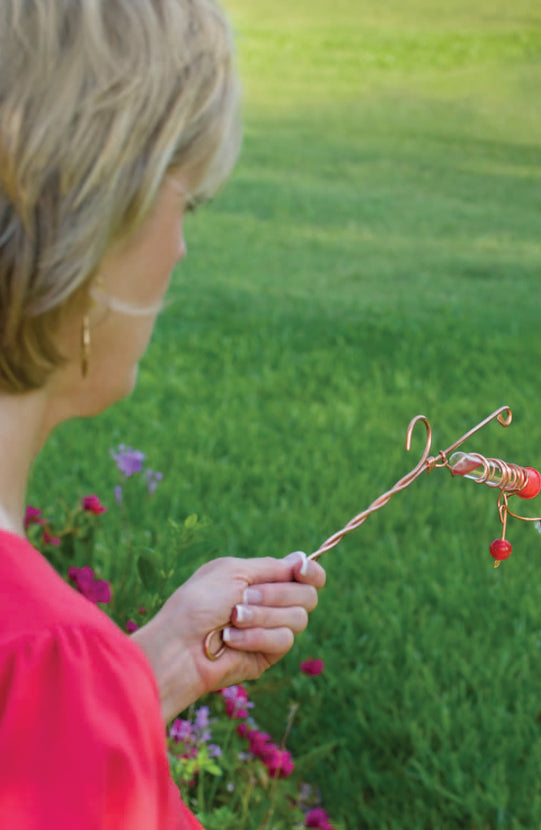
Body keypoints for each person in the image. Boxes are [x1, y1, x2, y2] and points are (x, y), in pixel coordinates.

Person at [0, 1, 326, 827]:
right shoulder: (45, 660)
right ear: (89, 227)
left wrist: (153, 669)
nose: (180, 249)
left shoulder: (48, 674)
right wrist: (88, 685)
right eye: (185, 204)